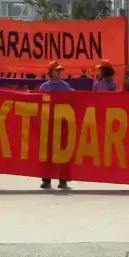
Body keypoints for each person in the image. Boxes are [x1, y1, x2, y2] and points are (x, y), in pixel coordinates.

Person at [39, 62, 73, 190]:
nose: (59, 73)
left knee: (63, 152)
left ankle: (63, 180)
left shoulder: (65, 86)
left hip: (62, 124)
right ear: (50, 72)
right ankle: (46, 179)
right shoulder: (44, 87)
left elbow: (74, 98)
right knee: (47, 153)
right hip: (48, 124)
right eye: (56, 71)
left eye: (60, 71)